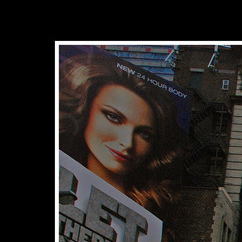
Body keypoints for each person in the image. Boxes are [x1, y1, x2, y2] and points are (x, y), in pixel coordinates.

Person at [58, 49, 185, 214]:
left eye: (144, 134)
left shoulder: (154, 213)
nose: (127, 143)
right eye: (113, 118)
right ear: (85, 110)